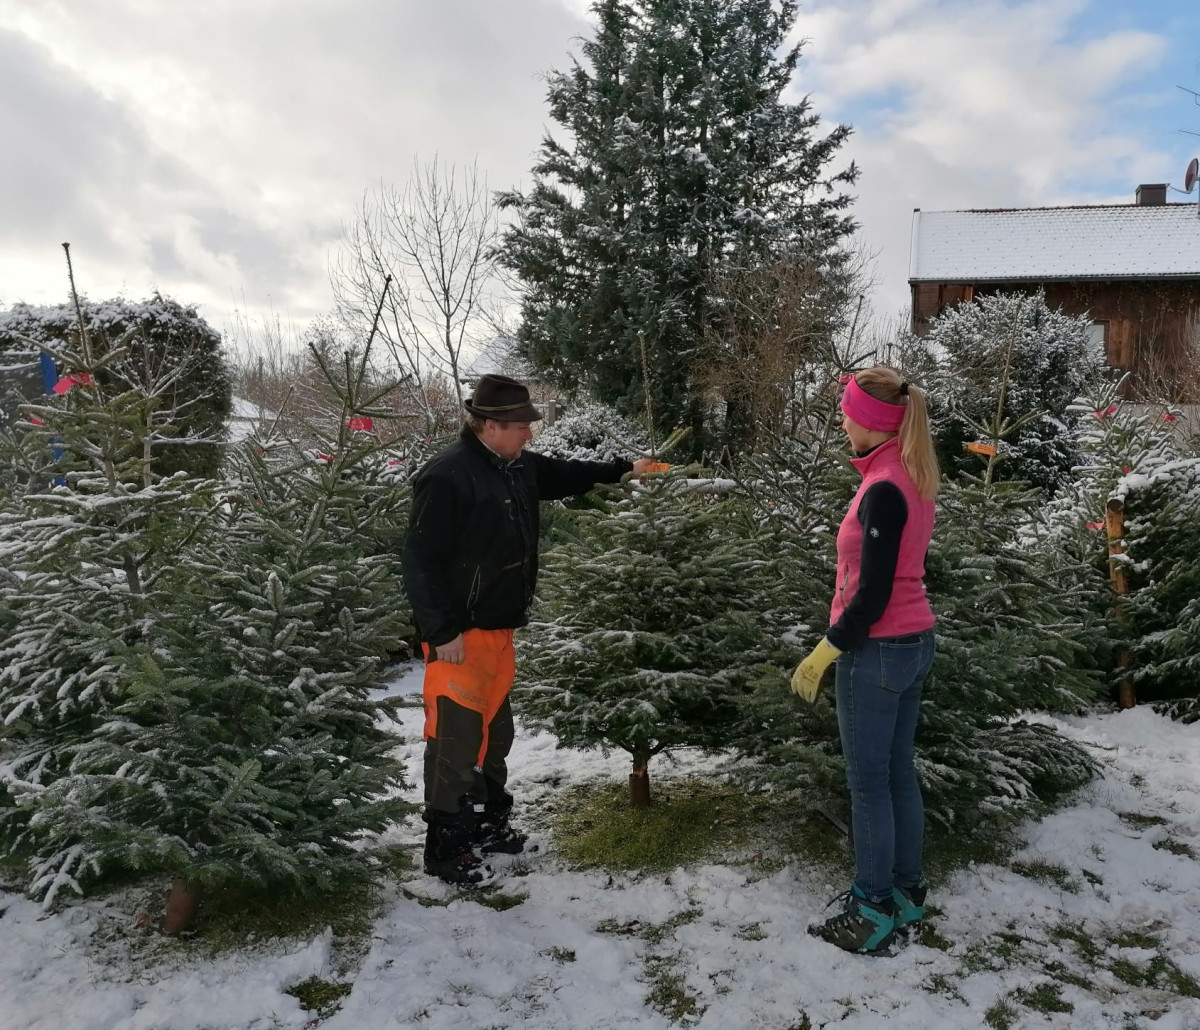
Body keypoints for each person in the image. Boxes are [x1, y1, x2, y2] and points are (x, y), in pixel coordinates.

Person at [402, 373, 662, 885]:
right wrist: (440, 630)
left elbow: (565, 474)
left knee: (495, 735)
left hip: (500, 633)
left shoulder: (516, 465)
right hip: (458, 637)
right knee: (455, 741)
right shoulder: (448, 475)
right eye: (522, 425)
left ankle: (488, 824)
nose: (530, 434)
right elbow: (419, 558)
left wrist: (624, 470)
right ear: (491, 424)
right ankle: (445, 846)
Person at [791, 365, 941, 954]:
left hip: (878, 651)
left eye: (847, 412)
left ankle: (872, 906)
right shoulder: (906, 473)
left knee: (869, 784)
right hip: (913, 642)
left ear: (870, 421)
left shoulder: (883, 487)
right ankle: (906, 892)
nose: (842, 421)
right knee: (896, 773)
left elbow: (873, 593)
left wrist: (829, 648)